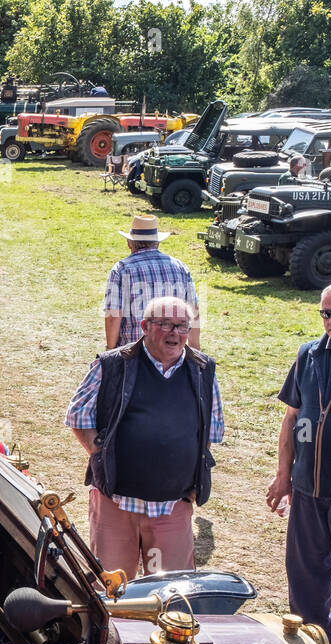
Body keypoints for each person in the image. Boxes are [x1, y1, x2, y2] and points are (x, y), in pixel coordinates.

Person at [66, 297, 223, 580]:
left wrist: (191, 474)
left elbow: (211, 432)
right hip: (115, 503)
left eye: (182, 326)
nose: (174, 333)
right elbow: (78, 415)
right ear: (144, 327)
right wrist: (99, 453)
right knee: (113, 593)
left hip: (172, 507)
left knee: (171, 596)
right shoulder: (113, 365)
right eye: (164, 324)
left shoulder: (203, 371)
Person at [267, 281, 331, 644]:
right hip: (307, 490)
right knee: (304, 576)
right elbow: (291, 417)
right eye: (325, 313)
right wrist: (284, 475)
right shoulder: (309, 354)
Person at [104, 214, 200, 350]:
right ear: (157, 242)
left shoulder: (122, 270)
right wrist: (195, 350)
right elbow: (193, 310)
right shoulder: (180, 268)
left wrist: (110, 350)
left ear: (129, 243)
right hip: (172, 351)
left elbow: (114, 314)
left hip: (134, 353)